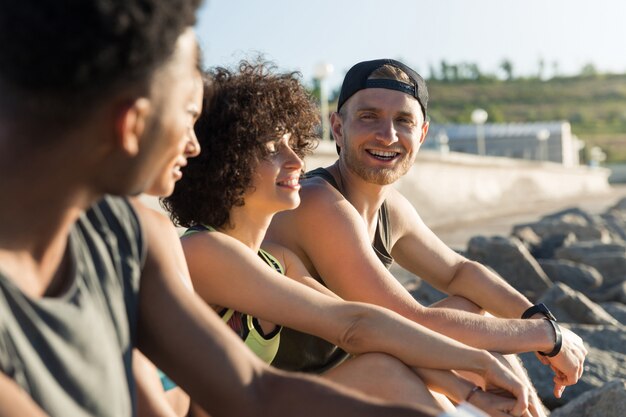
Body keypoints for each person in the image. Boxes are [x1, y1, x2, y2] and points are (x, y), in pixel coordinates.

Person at [0, 2, 447, 415]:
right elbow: (343, 332)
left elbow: (258, 387)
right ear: (131, 122)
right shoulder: (155, 243)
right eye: (188, 113)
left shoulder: (129, 233)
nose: (194, 144)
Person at [161, 61, 531, 417]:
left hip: (275, 401)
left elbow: (370, 330)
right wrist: (493, 358)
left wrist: (467, 390)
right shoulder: (204, 249)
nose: (296, 163)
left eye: (294, 146)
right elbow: (355, 327)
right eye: (274, 150)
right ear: (227, 161)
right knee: (387, 371)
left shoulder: (276, 259)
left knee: (386, 364)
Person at [265, 59, 588, 411]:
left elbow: (459, 273)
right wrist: (548, 338)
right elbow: (408, 323)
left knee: (468, 311)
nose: (387, 135)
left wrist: (539, 319)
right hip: (274, 397)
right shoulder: (317, 202)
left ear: (421, 135)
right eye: (368, 117)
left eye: (403, 121)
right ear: (338, 128)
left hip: (336, 380)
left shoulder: (391, 208)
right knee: (385, 368)